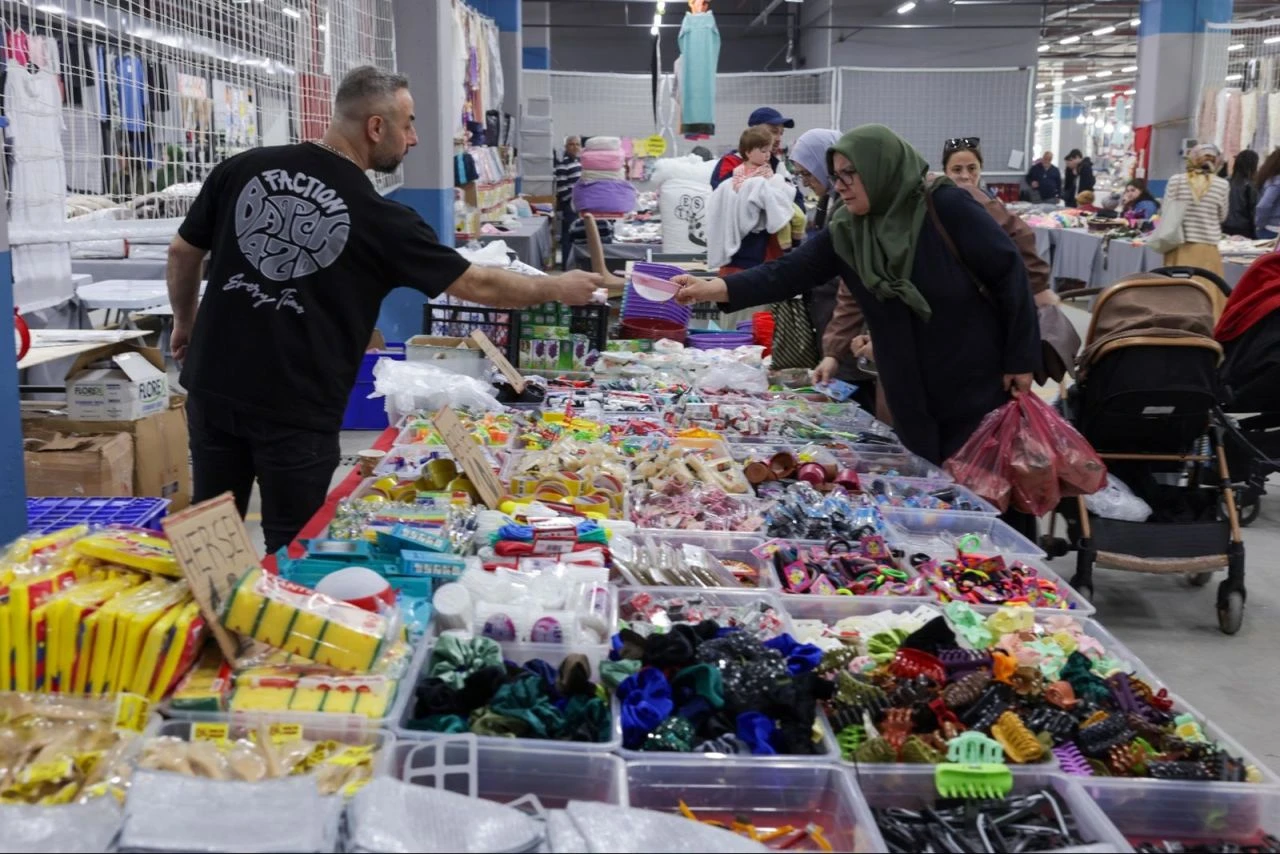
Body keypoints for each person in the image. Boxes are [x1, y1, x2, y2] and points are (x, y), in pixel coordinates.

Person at [167, 66, 602, 553]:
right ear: (376, 127)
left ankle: (211, 602)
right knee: (292, 547)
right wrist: (556, 287)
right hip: (296, 405)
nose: (414, 138)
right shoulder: (382, 219)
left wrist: (185, 323)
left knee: (211, 534)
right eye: (409, 124)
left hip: (214, 383)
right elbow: (477, 283)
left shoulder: (243, 168)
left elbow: (183, 252)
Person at [673, 124, 1040, 468]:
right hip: (906, 387)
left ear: (881, 168)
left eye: (850, 173)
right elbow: (788, 272)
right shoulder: (849, 228)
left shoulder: (945, 206)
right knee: (931, 478)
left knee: (982, 476)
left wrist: (1021, 359)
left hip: (971, 379)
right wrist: (714, 287)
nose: (840, 185)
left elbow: (1009, 274)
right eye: (836, 175)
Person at [940, 138, 1057, 309]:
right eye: (957, 169)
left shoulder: (986, 199)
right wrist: (1038, 287)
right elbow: (1020, 234)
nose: (965, 176)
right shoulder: (970, 199)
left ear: (981, 169)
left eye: (972, 168)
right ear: (945, 172)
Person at [709, 107, 802, 271]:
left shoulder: (777, 167)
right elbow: (726, 201)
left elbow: (795, 200)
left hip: (774, 257)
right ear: (753, 132)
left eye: (781, 133)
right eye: (773, 131)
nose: (778, 138)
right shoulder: (730, 163)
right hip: (740, 257)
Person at [1161, 143, 1229, 275]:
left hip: (1177, 246)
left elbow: (1166, 211)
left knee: (1177, 285)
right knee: (1206, 285)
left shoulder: (1176, 180)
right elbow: (1222, 216)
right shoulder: (1222, 184)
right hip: (1207, 247)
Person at [554, 135, 582, 269]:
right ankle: (566, 266)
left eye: (577, 144)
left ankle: (575, 264)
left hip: (580, 205)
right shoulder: (563, 163)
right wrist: (571, 203)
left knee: (578, 235)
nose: (575, 147)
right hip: (570, 206)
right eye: (571, 144)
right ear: (566, 147)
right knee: (568, 236)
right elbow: (562, 187)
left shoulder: (579, 162)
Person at [1224, 149, 1259, 238]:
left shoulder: (1225, 182)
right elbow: (1253, 210)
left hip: (1224, 226)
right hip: (1244, 228)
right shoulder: (1250, 185)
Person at [1253, 148, 1280, 239]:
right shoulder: (1277, 182)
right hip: (1273, 229)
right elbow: (1263, 205)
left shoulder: (1272, 180)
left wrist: (1259, 223)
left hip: (1270, 228)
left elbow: (1263, 205)